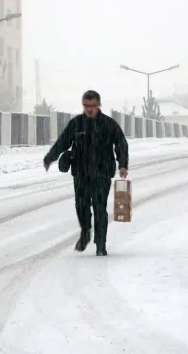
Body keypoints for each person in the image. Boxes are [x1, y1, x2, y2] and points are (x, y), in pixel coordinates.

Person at [43, 90, 129, 256]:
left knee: (99, 207)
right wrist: (49, 158)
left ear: (98, 105)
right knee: (81, 206)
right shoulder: (76, 124)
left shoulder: (108, 124)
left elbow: (121, 143)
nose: (89, 109)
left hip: (102, 173)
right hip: (81, 173)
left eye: (92, 106)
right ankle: (85, 231)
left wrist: (123, 164)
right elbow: (62, 142)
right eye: (86, 106)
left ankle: (101, 244)